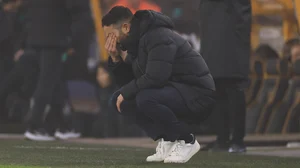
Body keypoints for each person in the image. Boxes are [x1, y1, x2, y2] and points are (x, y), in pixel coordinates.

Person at [102, 6, 216, 163]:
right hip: (175, 91)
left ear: (126, 27)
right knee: (120, 100)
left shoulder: (157, 36)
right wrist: (115, 59)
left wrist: (127, 91)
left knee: (145, 98)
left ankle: (187, 140)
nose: (110, 42)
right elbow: (130, 83)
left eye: (111, 36)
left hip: (197, 94)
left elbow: (156, 77)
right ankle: (168, 139)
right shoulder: (135, 43)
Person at [22, 0, 92, 141]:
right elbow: (78, 11)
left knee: (55, 82)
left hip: (36, 36)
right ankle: (33, 126)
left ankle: (62, 125)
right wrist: (74, 40)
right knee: (47, 82)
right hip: (54, 38)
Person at [198, 0, 252, 153]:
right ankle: (222, 139)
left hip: (231, 37)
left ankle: (237, 140)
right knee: (217, 86)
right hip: (212, 36)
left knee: (234, 86)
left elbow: (242, 13)